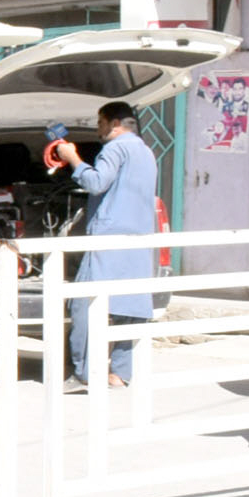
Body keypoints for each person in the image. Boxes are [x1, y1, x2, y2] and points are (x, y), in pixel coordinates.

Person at [50, 102, 158, 388]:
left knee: (83, 304)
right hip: (138, 237)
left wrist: (72, 157)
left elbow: (97, 183)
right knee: (129, 307)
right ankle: (120, 374)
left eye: (99, 123)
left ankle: (84, 372)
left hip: (108, 237)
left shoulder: (114, 148)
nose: (98, 130)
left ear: (113, 123)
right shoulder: (146, 152)